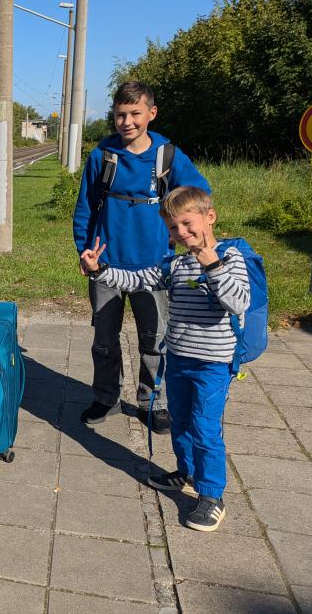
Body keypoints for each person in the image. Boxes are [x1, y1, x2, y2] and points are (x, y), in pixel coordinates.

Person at [80, 186, 250, 531]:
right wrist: (100, 271)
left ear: (210, 217)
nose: (182, 233)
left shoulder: (230, 259)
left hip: (213, 366)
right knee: (181, 422)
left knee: (205, 428)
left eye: (188, 224)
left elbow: (239, 302)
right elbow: (138, 279)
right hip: (179, 360)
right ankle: (185, 472)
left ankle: (211, 495)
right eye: (173, 228)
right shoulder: (176, 264)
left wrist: (212, 266)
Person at [72, 81, 210, 433]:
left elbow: (199, 195)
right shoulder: (101, 156)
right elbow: (85, 207)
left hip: (155, 267)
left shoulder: (167, 156)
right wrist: (83, 251)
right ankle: (106, 397)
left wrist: (188, 236)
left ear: (151, 113)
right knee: (104, 338)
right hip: (106, 265)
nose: (127, 121)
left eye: (135, 113)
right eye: (120, 114)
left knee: (156, 337)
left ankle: (154, 401)